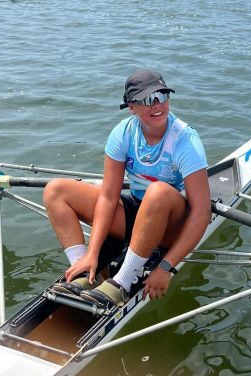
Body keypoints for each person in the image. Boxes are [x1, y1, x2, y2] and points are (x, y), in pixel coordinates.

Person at [44, 69, 211, 307]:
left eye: (162, 96)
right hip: (137, 214)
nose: (157, 105)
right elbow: (108, 197)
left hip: (172, 224)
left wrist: (166, 267)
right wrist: (92, 252)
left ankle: (122, 282)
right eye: (146, 100)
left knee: (157, 192)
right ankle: (82, 273)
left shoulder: (186, 141)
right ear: (131, 107)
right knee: (55, 190)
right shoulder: (123, 133)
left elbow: (202, 213)